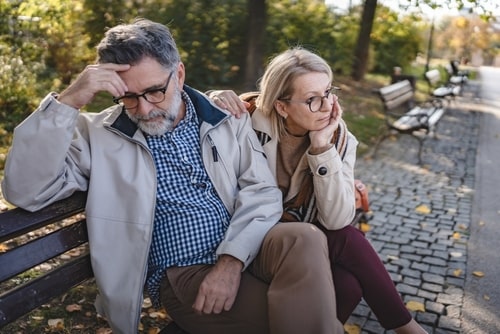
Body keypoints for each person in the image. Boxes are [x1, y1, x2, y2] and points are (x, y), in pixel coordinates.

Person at [1, 20, 346, 334]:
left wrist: (230, 262)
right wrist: (69, 101)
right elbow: (25, 190)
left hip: (246, 249)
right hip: (184, 273)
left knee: (304, 238)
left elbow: (262, 192)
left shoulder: (223, 119)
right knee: (310, 320)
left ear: (179, 75)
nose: (145, 109)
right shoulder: (97, 136)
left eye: (155, 91)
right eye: (128, 97)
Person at [209, 47, 428, 334]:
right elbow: (193, 115)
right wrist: (214, 97)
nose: (326, 106)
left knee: (348, 284)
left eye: (328, 92)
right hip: (250, 236)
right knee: (348, 240)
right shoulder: (246, 121)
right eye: (312, 99)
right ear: (281, 106)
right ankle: (409, 329)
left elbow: (337, 219)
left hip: (303, 241)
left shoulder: (339, 138)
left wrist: (322, 149)